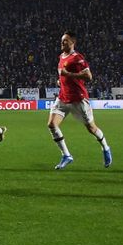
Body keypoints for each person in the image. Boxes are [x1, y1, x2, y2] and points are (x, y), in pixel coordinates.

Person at [48, 32, 112, 169]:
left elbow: (89, 76)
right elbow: (64, 76)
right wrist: (61, 81)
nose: (62, 43)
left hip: (78, 99)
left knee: (91, 128)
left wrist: (68, 75)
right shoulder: (61, 57)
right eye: (62, 40)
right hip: (63, 98)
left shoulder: (77, 57)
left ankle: (106, 148)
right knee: (52, 125)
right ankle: (66, 155)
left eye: (65, 41)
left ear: (72, 42)